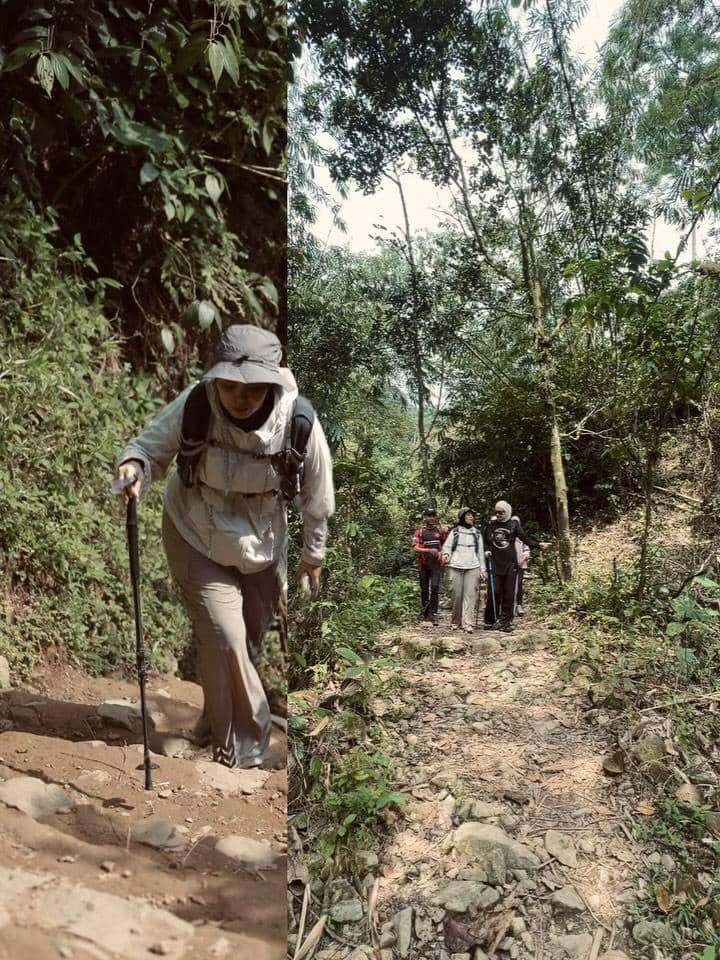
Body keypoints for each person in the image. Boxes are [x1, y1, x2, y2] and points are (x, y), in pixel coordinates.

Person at [114, 324, 335, 769]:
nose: (239, 396)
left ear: (273, 380)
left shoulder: (299, 423)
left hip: (263, 546)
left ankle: (212, 726)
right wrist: (134, 469)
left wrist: (313, 557)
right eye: (231, 385)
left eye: (251, 388)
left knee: (247, 643)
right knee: (225, 637)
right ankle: (245, 749)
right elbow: (146, 447)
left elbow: (317, 500)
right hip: (194, 530)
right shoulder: (198, 401)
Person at [484, 501, 550, 633]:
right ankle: (490, 620)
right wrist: (486, 550)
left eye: (501, 512)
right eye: (496, 512)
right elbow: (485, 540)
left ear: (507, 511)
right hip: (495, 563)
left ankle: (506, 621)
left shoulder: (514, 524)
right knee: (494, 592)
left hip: (511, 564)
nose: (498, 515)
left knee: (509, 593)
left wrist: (538, 545)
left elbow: (525, 539)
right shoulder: (491, 525)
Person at [441, 507, 487, 633]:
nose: (471, 517)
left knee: (470, 596)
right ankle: (456, 621)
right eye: (468, 515)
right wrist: (446, 555)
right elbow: (447, 547)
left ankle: (468, 623)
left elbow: (480, 553)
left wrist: (483, 569)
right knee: (456, 595)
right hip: (455, 566)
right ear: (462, 517)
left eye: (472, 515)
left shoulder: (477, 533)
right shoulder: (455, 532)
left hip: (473, 567)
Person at [412, 508, 446, 626]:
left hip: (436, 565)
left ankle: (434, 614)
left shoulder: (440, 531)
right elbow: (415, 548)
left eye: (433, 515)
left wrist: (442, 553)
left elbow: (445, 545)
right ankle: (425, 614)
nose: (431, 518)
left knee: (435, 588)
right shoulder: (420, 532)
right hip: (423, 565)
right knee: (425, 589)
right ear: (425, 518)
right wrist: (428, 550)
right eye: (429, 516)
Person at [513, 514, 530, 616]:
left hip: (520, 565)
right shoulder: (507, 535)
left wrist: (521, 559)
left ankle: (519, 605)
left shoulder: (522, 537)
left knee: (518, 585)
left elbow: (527, 551)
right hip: (509, 565)